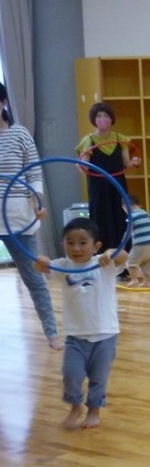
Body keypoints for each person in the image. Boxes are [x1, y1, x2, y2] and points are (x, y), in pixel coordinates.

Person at [35, 217, 127, 429]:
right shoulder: (62, 266)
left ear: (96, 246)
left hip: (105, 335)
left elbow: (124, 255)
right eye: (70, 242)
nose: (76, 248)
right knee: (70, 374)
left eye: (83, 242)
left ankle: (94, 410)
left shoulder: (104, 265)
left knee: (98, 378)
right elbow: (41, 266)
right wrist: (39, 260)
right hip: (75, 336)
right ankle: (75, 405)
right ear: (63, 245)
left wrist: (110, 253)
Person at [0, 82, 62, 350]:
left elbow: (34, 173)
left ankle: (52, 333)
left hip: (17, 216)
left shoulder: (20, 134)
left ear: (3, 103)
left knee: (33, 277)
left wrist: (38, 202)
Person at [76, 102, 141, 261]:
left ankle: (124, 262)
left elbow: (126, 164)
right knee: (100, 220)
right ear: (94, 119)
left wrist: (134, 162)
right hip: (98, 186)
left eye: (106, 115)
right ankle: (101, 260)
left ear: (112, 119)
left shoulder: (120, 139)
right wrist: (80, 165)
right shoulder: (89, 140)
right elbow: (84, 165)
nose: (102, 119)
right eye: (99, 116)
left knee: (121, 219)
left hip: (118, 185)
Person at [122, 194, 150, 287]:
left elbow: (128, 231)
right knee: (146, 263)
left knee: (130, 262)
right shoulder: (145, 213)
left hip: (140, 244)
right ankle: (146, 282)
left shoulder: (132, 217)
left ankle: (134, 280)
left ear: (126, 207)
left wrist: (123, 243)